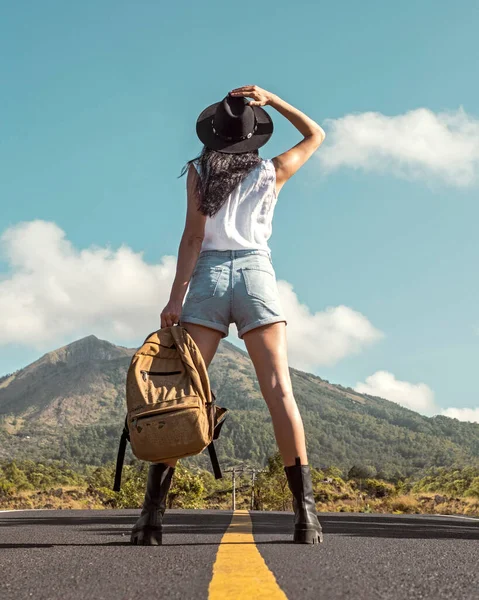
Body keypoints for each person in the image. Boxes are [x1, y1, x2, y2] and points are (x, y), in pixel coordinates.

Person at [130, 85, 326, 545]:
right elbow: (315, 134)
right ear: (253, 137)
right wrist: (274, 100)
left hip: (209, 278)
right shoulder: (271, 170)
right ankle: (307, 518)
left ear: (212, 135)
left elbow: (193, 239)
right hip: (257, 272)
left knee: (180, 393)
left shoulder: (199, 173)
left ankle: (152, 519)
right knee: (280, 391)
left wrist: (175, 298)